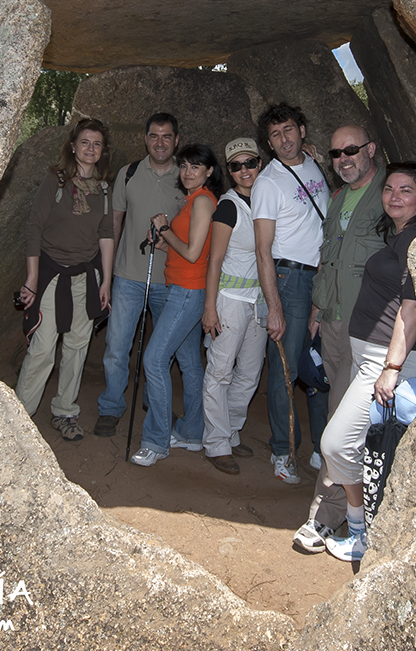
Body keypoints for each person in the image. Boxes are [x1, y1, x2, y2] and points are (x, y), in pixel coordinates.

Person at [317, 162, 416, 562]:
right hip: (371, 358)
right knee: (367, 449)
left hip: (391, 363)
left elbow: (413, 308)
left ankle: (361, 531)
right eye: (389, 189)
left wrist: (391, 368)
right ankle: (363, 532)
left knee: (338, 445)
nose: (394, 196)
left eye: (407, 190)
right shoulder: (402, 235)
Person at [293, 124, 385, 552]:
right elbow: (327, 258)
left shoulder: (388, 191)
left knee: (337, 427)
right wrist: (314, 312)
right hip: (329, 322)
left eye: (351, 150)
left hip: (365, 330)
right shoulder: (336, 198)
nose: (344, 158)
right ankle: (362, 509)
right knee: (348, 424)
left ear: (370, 149)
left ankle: (326, 516)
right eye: (335, 154)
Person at [14, 118, 116, 442]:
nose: (90, 149)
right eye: (85, 142)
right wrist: (31, 278)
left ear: (102, 151)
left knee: (76, 346)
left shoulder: (102, 189)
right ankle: (18, 418)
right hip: (52, 274)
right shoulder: (55, 182)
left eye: (96, 144)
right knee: (43, 347)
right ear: (73, 145)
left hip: (86, 276)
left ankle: (65, 410)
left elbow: (106, 236)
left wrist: (106, 282)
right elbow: (35, 227)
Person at [130, 143, 224, 466]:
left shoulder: (201, 202)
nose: (187, 172)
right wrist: (165, 237)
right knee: (190, 363)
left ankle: (156, 441)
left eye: (195, 167)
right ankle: (192, 432)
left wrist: (165, 230)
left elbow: (193, 252)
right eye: (183, 166)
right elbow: (184, 247)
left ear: (209, 171)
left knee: (154, 360)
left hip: (187, 292)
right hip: (181, 289)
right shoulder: (192, 202)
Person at [94, 113, 186, 437]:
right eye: (153, 136)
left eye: (166, 136)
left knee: (161, 352)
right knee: (117, 346)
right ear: (145, 139)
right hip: (129, 276)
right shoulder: (129, 174)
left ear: (176, 140)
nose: (160, 142)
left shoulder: (186, 176)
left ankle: (152, 401)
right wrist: (108, 275)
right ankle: (111, 406)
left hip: (172, 280)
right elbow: (114, 224)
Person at [252, 103, 330, 484]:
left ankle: (320, 448)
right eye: (275, 135)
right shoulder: (268, 183)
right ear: (268, 143)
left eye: (288, 130)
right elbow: (262, 249)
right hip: (291, 279)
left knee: (320, 366)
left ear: (301, 129)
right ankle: (282, 451)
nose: (284, 140)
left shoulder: (314, 163)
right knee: (287, 370)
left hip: (323, 279)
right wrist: (274, 307)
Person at [199, 137, 268, 474]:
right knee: (220, 371)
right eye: (237, 166)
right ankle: (215, 443)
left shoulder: (268, 201)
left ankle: (231, 430)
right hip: (229, 300)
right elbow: (214, 260)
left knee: (250, 373)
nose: (245, 171)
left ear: (260, 164)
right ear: (229, 171)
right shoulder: (228, 206)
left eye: (250, 163)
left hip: (259, 302)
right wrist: (209, 308)